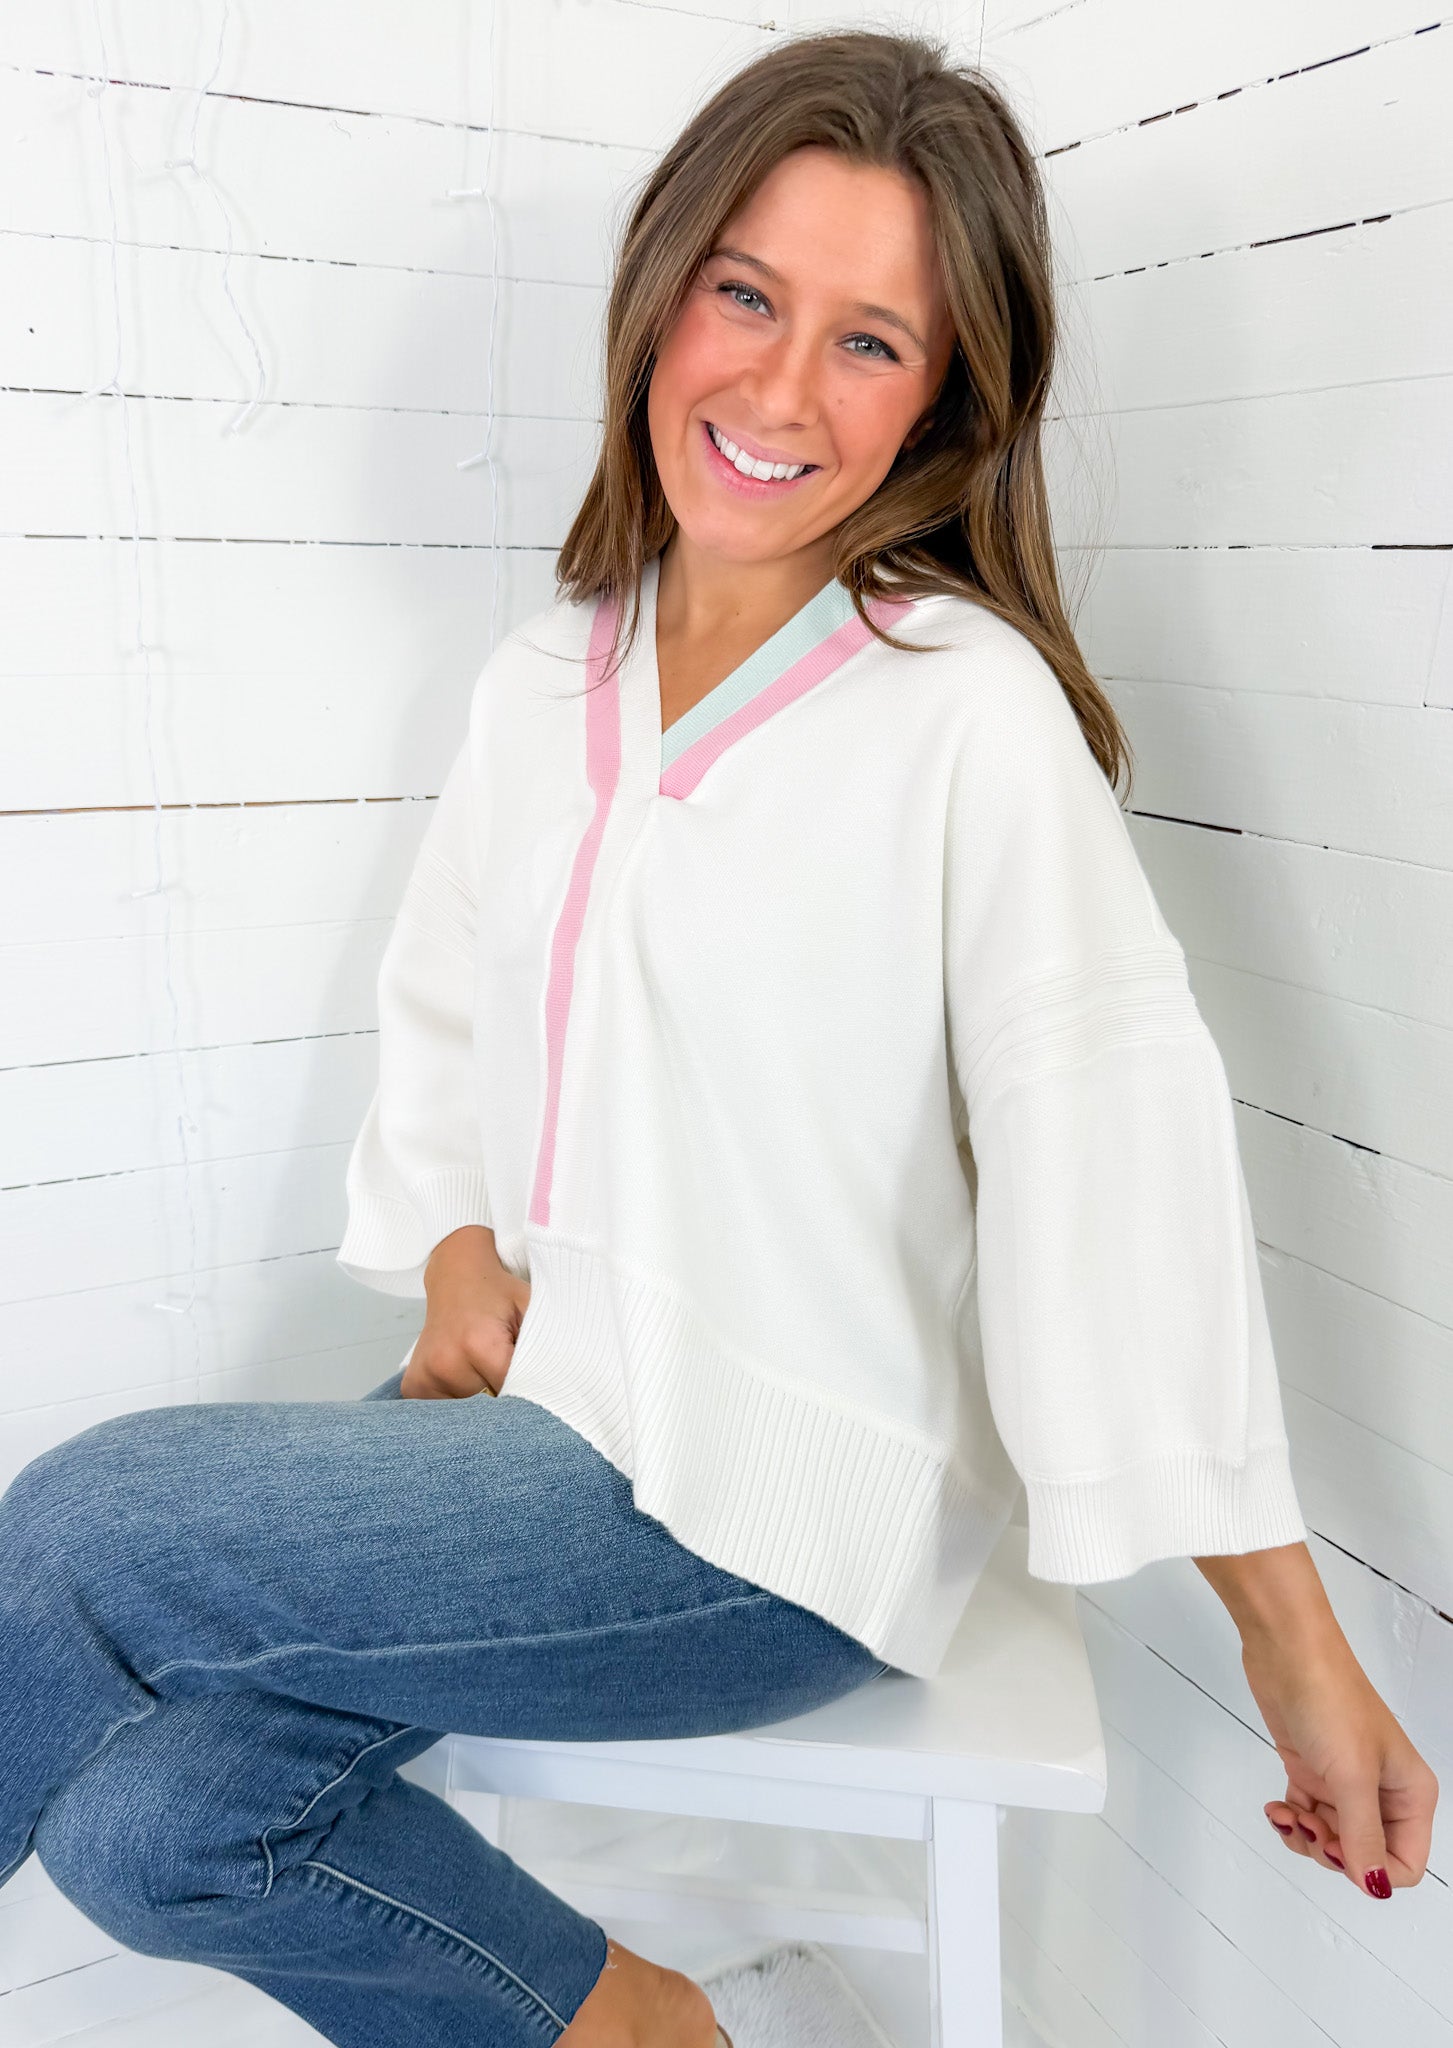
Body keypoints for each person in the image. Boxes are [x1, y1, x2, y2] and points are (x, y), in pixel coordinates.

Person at [1, 27, 1436, 2048]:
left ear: (947, 397)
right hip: (545, 1429)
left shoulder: (960, 711)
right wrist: (458, 1244)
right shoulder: (543, 675)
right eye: (746, 293)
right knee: (160, 1825)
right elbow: (450, 1001)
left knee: (82, 1528)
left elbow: (1109, 1151)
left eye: (869, 340)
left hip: (764, 1522)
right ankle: (633, 2027)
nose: (773, 388)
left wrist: (1286, 1633)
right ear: (663, 286)